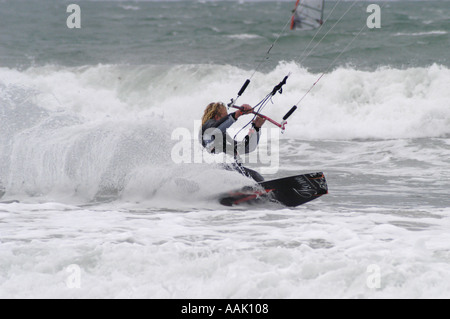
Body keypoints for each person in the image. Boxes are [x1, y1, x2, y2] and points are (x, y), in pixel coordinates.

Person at [199, 102, 266, 182]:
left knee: (257, 177)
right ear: (217, 117)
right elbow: (216, 128)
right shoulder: (207, 128)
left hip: (231, 172)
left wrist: (256, 128)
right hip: (219, 173)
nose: (227, 117)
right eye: (225, 115)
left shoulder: (224, 136)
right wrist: (238, 113)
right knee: (256, 178)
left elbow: (247, 148)